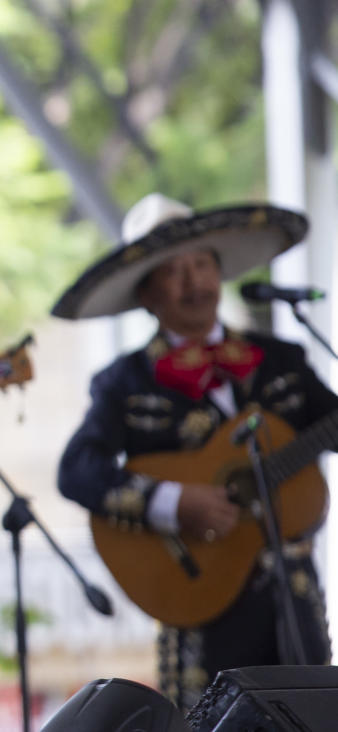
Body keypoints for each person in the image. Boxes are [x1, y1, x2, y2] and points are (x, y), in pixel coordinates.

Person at [53, 193, 336, 709]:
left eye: (203, 264)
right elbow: (78, 472)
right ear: (147, 294)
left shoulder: (278, 360)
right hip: (200, 599)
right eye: (174, 271)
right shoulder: (125, 382)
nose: (194, 281)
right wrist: (173, 501)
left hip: (292, 600)